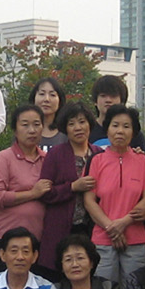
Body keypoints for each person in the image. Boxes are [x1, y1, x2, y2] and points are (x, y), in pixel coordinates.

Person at [84, 103, 145, 282]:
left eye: (126, 126)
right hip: (102, 238)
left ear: (134, 132)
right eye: (115, 125)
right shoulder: (96, 160)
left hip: (136, 239)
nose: (120, 131)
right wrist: (111, 228)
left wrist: (123, 223)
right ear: (107, 129)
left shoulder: (142, 160)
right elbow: (89, 200)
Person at [35, 102, 97, 275]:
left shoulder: (99, 154)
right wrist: (72, 187)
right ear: (65, 128)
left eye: (82, 122)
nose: (78, 128)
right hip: (61, 227)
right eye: (71, 124)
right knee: (57, 275)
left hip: (92, 228)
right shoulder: (56, 154)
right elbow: (45, 193)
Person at [0, 101, 51, 255]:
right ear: (15, 130)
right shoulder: (4, 158)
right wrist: (32, 194)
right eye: (25, 125)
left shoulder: (47, 159)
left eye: (37, 124)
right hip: (6, 238)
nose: (32, 130)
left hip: (37, 238)